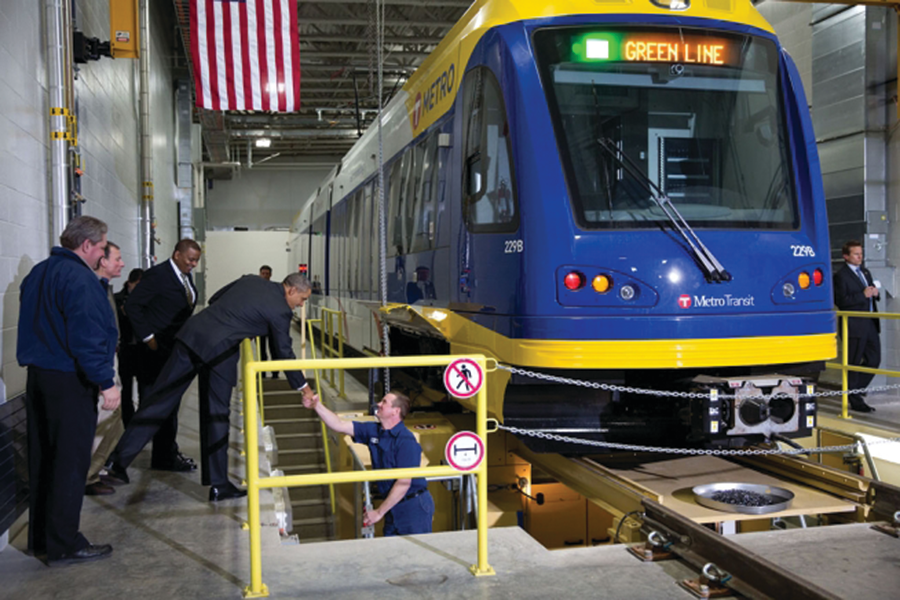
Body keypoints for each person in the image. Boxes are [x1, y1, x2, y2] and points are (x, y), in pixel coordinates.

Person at [107, 273, 317, 501]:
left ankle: (117, 462)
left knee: (158, 401)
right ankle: (218, 485)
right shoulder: (281, 311)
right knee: (216, 415)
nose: (301, 305)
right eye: (303, 299)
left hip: (192, 337)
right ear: (292, 290)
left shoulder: (250, 280)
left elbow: (214, 298)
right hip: (221, 353)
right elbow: (283, 353)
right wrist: (304, 388)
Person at [17, 215, 120, 565]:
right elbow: (86, 336)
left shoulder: (38, 274)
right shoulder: (80, 279)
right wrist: (107, 382)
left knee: (43, 459)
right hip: (69, 381)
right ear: (87, 245)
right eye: (102, 247)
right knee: (70, 464)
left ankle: (41, 539)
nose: (103, 255)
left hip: (38, 378)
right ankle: (64, 544)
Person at [303, 390, 434, 536]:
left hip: (413, 507)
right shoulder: (374, 431)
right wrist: (317, 406)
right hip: (392, 505)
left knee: (415, 555)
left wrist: (379, 512)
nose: (378, 404)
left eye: (384, 402)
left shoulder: (405, 441)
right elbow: (339, 425)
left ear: (395, 411)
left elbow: (403, 483)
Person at [122, 239, 202, 474]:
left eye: (196, 260)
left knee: (170, 405)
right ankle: (127, 458)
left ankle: (165, 454)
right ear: (177, 254)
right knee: (158, 406)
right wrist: (149, 337)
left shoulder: (184, 277)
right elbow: (133, 305)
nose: (194, 264)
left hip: (171, 351)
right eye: (190, 259)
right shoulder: (158, 275)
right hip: (155, 354)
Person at [85, 242, 126, 496]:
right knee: (104, 418)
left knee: (116, 422)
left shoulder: (105, 288)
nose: (121, 263)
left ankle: (94, 471)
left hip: (111, 359)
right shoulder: (92, 288)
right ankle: (85, 477)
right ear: (103, 261)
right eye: (117, 259)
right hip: (102, 363)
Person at [833, 240, 880, 413]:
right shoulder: (841, 276)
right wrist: (863, 295)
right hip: (853, 324)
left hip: (869, 323)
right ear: (846, 256)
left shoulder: (865, 272)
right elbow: (842, 301)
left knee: (874, 359)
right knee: (853, 362)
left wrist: (875, 293)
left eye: (861, 253)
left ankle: (854, 390)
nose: (860, 257)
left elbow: (871, 291)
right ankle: (855, 398)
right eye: (856, 254)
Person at [115, 268, 144, 427]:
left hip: (141, 350)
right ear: (130, 283)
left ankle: (142, 424)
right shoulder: (118, 300)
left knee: (144, 390)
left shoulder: (146, 300)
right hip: (125, 349)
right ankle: (128, 423)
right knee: (125, 389)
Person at [257, 264, 279, 379]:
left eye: (267, 274)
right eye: (263, 273)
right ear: (259, 274)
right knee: (261, 351)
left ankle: (275, 374)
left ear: (271, 275)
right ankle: (262, 373)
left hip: (272, 325)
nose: (265, 276)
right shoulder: (255, 290)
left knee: (274, 349)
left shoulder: (274, 289)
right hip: (260, 325)